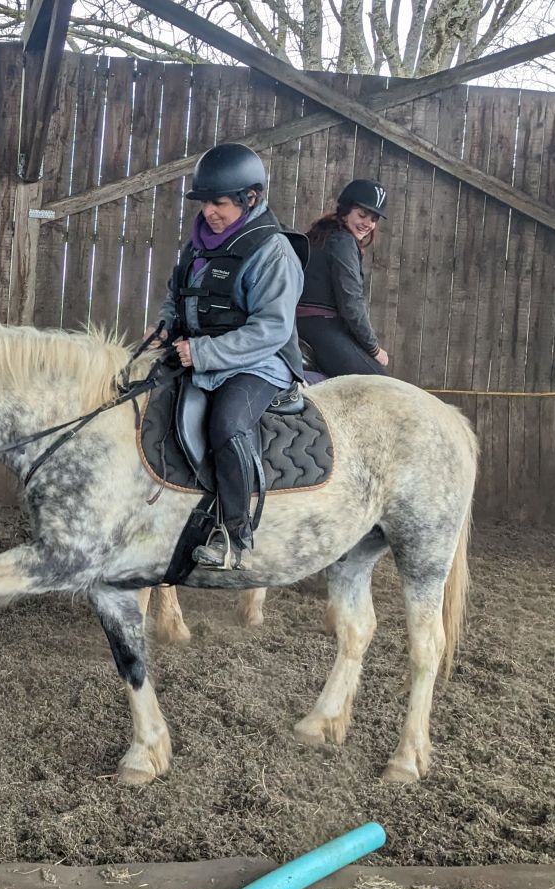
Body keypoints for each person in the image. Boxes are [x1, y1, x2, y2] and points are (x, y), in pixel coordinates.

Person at [148, 143, 306, 571]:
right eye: (204, 203)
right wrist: (166, 326)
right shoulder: (197, 245)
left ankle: (232, 533)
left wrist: (202, 351)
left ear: (249, 198)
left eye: (219, 203)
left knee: (228, 424)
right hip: (198, 356)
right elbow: (176, 296)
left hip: (258, 363)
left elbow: (271, 329)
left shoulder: (273, 253)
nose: (209, 212)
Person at [296, 179, 390, 377]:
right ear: (346, 210)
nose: (367, 224)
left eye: (373, 219)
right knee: (381, 384)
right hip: (320, 326)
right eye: (362, 215)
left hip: (301, 324)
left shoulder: (321, 234)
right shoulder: (343, 242)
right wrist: (374, 349)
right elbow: (351, 304)